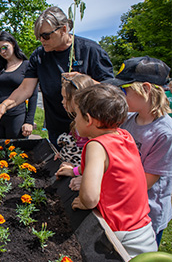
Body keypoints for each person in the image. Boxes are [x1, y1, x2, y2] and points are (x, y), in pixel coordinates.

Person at [0, 6, 114, 148]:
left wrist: (84, 81)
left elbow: (111, 90)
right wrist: (4, 106)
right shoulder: (39, 56)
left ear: (64, 29)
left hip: (90, 129)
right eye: (39, 36)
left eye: (46, 35)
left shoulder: (90, 50)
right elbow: (26, 89)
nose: (41, 40)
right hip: (57, 127)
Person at [65, 84, 157, 257]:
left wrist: (84, 202)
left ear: (89, 119)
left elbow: (91, 198)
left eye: (76, 114)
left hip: (120, 236)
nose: (74, 120)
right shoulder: (124, 136)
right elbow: (114, 170)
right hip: (143, 230)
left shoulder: (96, 146)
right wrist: (75, 171)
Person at [105, 56, 172, 247]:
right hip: (123, 206)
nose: (121, 94)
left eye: (125, 90)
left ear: (146, 89)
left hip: (148, 214)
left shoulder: (165, 133)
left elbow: (146, 181)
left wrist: (102, 183)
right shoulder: (129, 119)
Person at [0, 31, 38, 139]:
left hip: (16, 116)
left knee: (16, 152)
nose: (2, 52)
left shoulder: (26, 65)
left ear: (13, 44)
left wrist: (29, 121)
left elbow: (33, 95)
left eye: (5, 47)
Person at [55, 73, 97, 191]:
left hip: (85, 179)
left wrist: (74, 170)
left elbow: (92, 161)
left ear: (77, 98)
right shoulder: (77, 120)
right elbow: (73, 143)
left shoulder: (90, 126)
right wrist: (64, 153)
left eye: (66, 98)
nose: (62, 102)